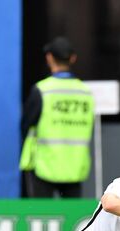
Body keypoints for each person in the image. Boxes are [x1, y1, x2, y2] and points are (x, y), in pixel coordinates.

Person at [19, 36, 95, 198]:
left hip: (44, 166)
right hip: (75, 166)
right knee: (72, 218)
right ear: (73, 58)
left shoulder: (42, 90)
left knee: (41, 217)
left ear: (49, 58)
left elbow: (25, 125)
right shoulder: (85, 93)